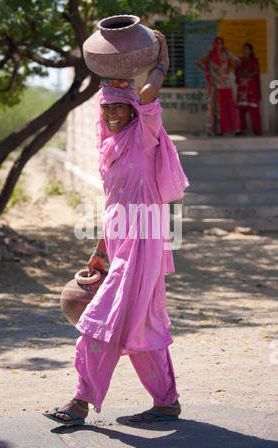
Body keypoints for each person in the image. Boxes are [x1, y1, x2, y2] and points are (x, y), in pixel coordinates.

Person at [43, 31, 189, 425]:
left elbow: (146, 94)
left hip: (144, 242)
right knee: (142, 322)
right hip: (122, 239)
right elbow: (114, 207)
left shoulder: (143, 135)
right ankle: (166, 401)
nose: (110, 114)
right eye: (105, 108)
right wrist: (101, 249)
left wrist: (160, 59)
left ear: (131, 111)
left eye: (118, 108)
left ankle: (79, 401)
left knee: (101, 320)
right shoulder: (108, 147)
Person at [195, 35, 240, 136]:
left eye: (221, 43)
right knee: (216, 107)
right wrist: (206, 71)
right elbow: (197, 63)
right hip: (215, 84)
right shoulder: (210, 55)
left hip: (225, 83)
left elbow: (237, 61)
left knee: (228, 105)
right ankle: (215, 129)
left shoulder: (227, 54)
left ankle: (232, 129)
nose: (219, 45)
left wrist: (229, 68)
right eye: (217, 43)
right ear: (214, 44)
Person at [236, 43, 262, 135]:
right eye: (243, 48)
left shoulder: (254, 60)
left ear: (250, 51)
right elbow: (237, 72)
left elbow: (255, 72)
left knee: (253, 110)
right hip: (242, 89)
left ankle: (257, 130)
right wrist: (246, 73)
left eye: (246, 49)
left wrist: (244, 74)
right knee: (241, 110)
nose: (244, 50)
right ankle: (242, 130)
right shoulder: (240, 60)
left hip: (251, 89)